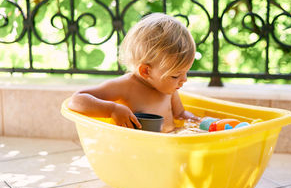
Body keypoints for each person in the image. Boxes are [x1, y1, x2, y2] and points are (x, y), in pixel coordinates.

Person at [68, 13, 199, 132]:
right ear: (146, 71)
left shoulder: (169, 88)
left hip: (167, 145)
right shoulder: (126, 86)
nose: (184, 79)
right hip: (136, 150)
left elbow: (180, 114)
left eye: (185, 72)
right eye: (176, 75)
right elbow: (76, 99)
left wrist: (198, 121)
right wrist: (112, 109)